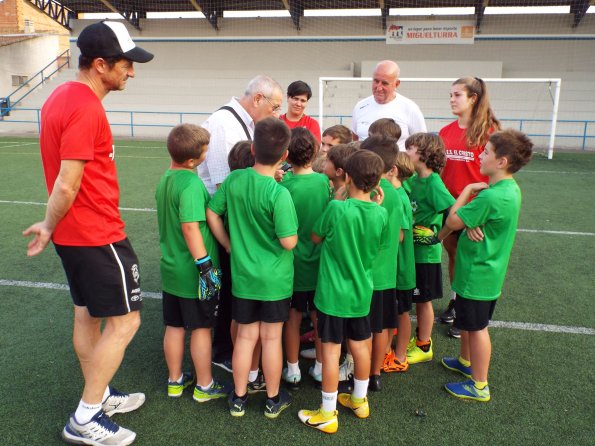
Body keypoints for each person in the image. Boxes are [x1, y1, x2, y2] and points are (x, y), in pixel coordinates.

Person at [22, 21, 153, 445]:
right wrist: (47, 224)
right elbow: (67, 182)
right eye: (126, 65)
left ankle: (98, 396)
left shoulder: (60, 95)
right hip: (96, 233)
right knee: (127, 322)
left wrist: (53, 228)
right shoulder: (85, 107)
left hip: (76, 236)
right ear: (101, 65)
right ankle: (86, 415)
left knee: (88, 314)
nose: (131, 72)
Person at [206, 117, 297, 419]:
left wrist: (229, 244)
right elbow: (288, 242)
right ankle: (272, 399)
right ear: (284, 156)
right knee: (271, 339)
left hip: (244, 277)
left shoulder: (235, 180)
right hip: (274, 280)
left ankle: (239, 397)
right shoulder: (279, 193)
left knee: (245, 338)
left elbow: (212, 212)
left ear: (253, 148)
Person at [437, 129, 533, 402]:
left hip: (479, 272)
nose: (480, 155)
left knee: (477, 327)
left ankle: (480, 385)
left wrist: (467, 190)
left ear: (501, 161)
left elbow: (453, 221)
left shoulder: (490, 196)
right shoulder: (507, 189)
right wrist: (475, 223)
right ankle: (465, 362)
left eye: (487, 151)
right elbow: (484, 220)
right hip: (483, 269)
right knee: (468, 321)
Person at [298, 150, 388, 434]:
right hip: (362, 293)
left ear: (346, 177)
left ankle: (327, 412)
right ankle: (359, 400)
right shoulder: (381, 212)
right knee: (361, 345)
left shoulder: (337, 209)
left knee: (331, 350)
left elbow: (315, 237)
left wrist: (336, 201)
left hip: (332, 296)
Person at [200, 75, 284, 374]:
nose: (277, 114)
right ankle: (224, 350)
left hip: (233, 215)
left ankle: (234, 347)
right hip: (227, 217)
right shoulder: (225, 124)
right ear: (258, 99)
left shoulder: (242, 123)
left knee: (236, 289)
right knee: (230, 290)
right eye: (275, 107)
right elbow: (228, 185)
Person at [156, 124, 230, 404]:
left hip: (171, 268)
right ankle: (204, 385)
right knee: (200, 327)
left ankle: (174, 381)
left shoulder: (166, 177)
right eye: (205, 151)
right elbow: (190, 227)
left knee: (174, 325)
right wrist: (205, 266)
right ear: (192, 160)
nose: (208, 154)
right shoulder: (190, 184)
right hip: (193, 271)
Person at [438, 77, 502, 339]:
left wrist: (481, 217)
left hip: (476, 211)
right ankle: (456, 302)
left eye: (457, 95)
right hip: (450, 207)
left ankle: (468, 311)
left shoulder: (490, 132)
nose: (452, 100)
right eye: (450, 95)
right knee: (453, 257)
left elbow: (498, 176)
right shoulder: (445, 131)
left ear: (473, 98)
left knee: (471, 263)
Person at [280, 127, 332, 390]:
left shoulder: (284, 185)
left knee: (293, 317)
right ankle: (321, 367)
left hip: (293, 263)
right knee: (318, 316)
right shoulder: (324, 182)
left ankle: (292, 370)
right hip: (320, 263)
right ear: (314, 152)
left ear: (287, 155)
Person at [404, 133, 455, 365]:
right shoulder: (413, 179)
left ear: (423, 155)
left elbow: (452, 211)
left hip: (426, 254)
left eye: (410, 149)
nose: (406, 153)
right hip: (411, 251)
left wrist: (437, 236)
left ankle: (425, 344)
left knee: (424, 301)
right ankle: (417, 339)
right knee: (413, 297)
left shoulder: (434, 182)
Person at [359, 136, 403, 391]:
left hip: (368, 273)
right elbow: (397, 235)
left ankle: (361, 373)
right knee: (380, 327)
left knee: (364, 328)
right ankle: (375, 373)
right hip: (386, 273)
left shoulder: (372, 194)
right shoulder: (396, 194)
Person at [384, 152, 416, 373]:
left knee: (402, 313)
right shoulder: (396, 194)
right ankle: (388, 352)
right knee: (393, 312)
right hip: (395, 267)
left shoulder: (399, 196)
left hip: (401, 268)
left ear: (392, 170)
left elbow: (401, 235)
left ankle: (400, 356)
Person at [351, 60, 426, 149]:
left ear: (396, 84)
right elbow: (355, 137)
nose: (379, 88)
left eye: (384, 83)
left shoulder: (410, 108)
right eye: (376, 81)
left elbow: (421, 143)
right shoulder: (360, 106)